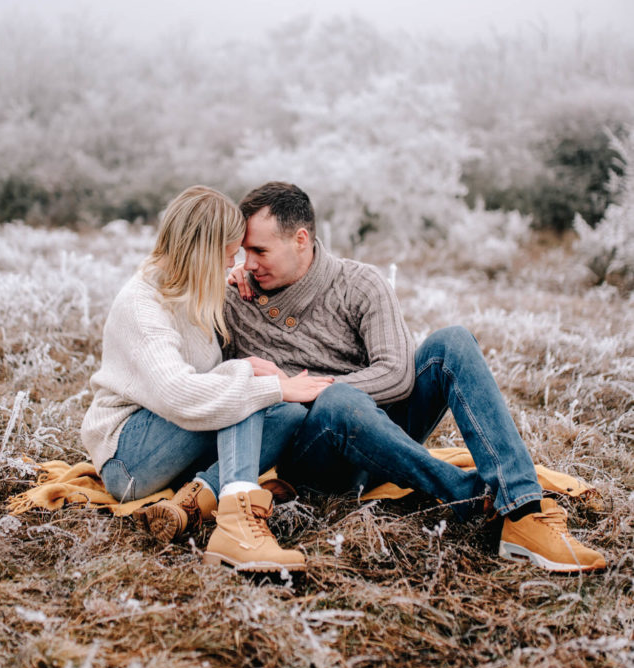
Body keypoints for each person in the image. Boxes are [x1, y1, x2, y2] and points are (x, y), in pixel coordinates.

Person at [225, 182, 607, 574]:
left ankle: (523, 511)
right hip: (314, 462)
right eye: (243, 252)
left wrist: (307, 388)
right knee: (339, 401)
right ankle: (469, 496)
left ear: (301, 240)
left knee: (452, 342)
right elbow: (208, 383)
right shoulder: (234, 301)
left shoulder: (360, 283)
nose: (248, 263)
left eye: (259, 251)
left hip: (386, 437)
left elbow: (396, 375)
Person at [81, 185, 332, 572]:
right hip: (128, 459)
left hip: (176, 440)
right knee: (246, 393)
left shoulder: (195, 288)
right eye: (230, 254)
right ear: (204, 251)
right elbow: (180, 395)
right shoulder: (142, 305)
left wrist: (244, 283)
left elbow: (211, 384)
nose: (237, 263)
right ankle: (238, 527)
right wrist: (267, 382)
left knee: (288, 415)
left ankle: (197, 498)